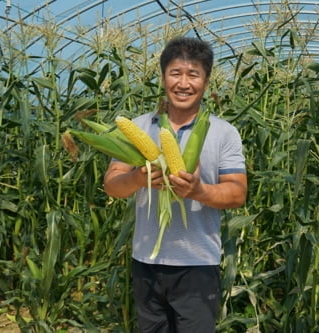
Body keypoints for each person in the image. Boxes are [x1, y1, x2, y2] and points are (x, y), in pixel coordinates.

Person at [103, 36, 247, 333]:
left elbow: (237, 193)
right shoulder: (138, 127)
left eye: (193, 75)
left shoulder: (223, 133)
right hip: (146, 262)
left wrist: (198, 191)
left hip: (197, 264)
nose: (183, 83)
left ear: (206, 81)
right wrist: (137, 178)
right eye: (175, 73)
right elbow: (112, 185)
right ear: (163, 77)